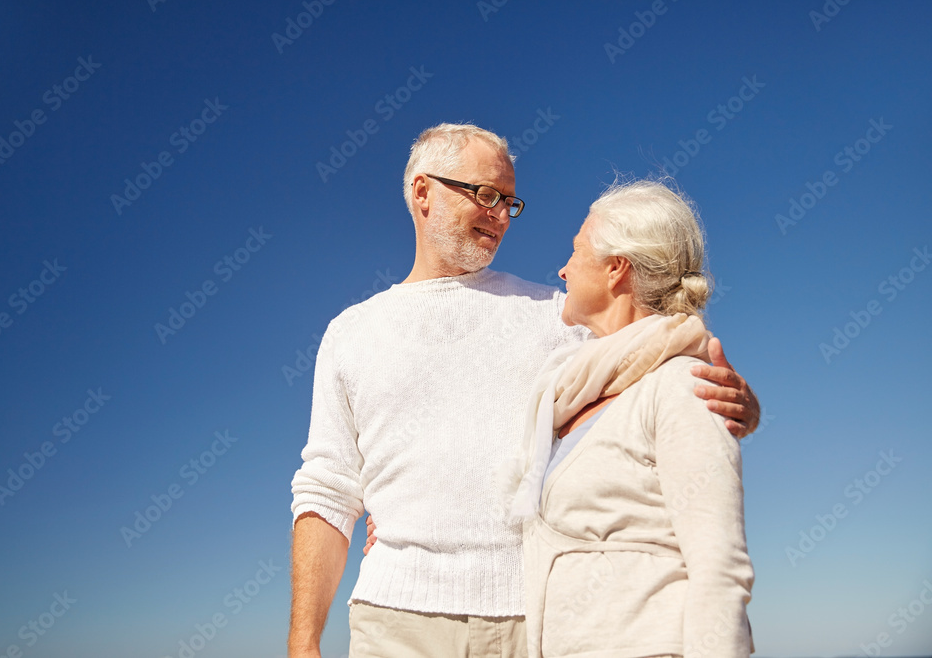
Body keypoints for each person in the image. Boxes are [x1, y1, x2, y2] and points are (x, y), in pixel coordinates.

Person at [288, 123, 759, 658]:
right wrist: (303, 642)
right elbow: (327, 490)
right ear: (422, 192)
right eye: (486, 195)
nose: (499, 216)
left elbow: (656, 354)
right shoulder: (351, 333)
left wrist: (739, 399)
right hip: (395, 618)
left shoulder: (557, 317)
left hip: (532, 620)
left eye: (509, 203)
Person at [513, 179, 754, 657]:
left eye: (576, 252)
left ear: (615, 269)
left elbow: (720, 568)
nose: (562, 270)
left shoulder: (683, 386)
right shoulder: (569, 394)